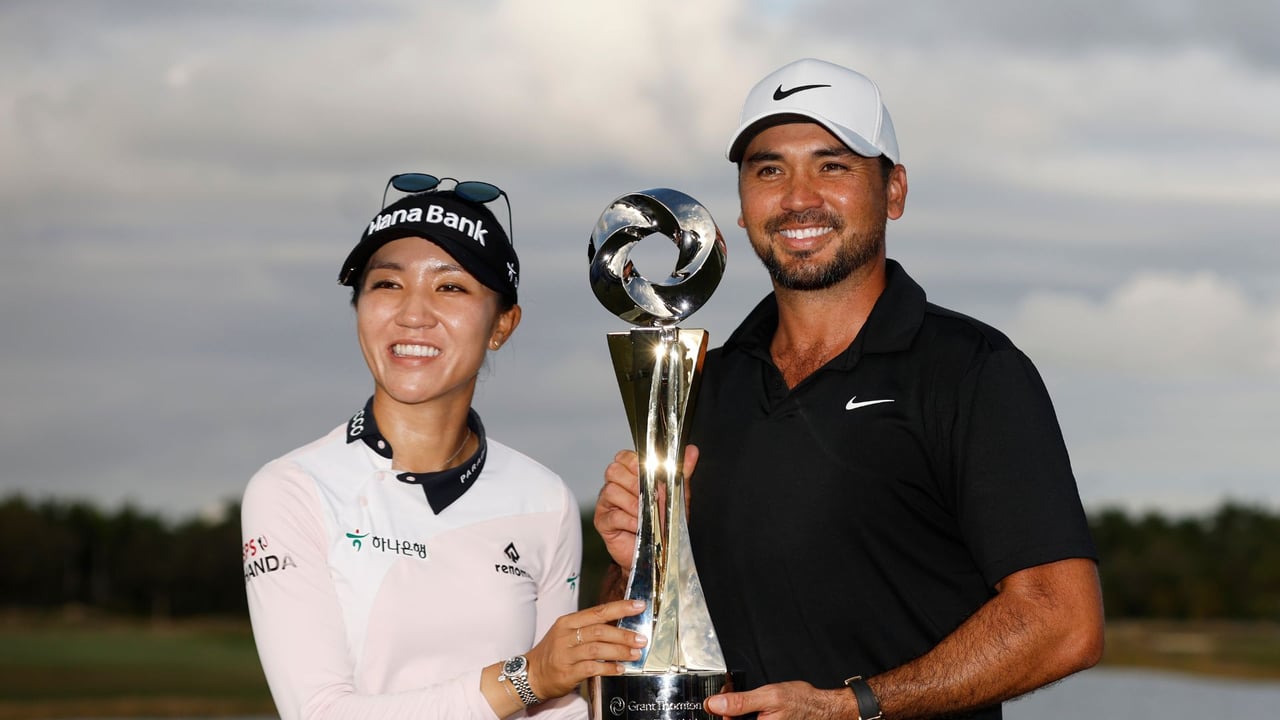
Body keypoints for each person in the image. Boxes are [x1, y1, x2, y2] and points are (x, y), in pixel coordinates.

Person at [593, 59, 1104, 719]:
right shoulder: (700, 385)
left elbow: (1063, 621)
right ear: (742, 208)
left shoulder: (972, 370)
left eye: (832, 166)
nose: (797, 198)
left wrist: (850, 707)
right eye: (769, 170)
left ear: (894, 191)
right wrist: (639, 563)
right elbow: (633, 651)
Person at [242, 173, 647, 720]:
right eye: (387, 284)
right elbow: (318, 712)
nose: (413, 313)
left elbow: (554, 709)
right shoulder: (293, 489)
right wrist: (526, 677)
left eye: (450, 287)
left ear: (502, 324)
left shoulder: (543, 497)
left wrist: (648, 562)